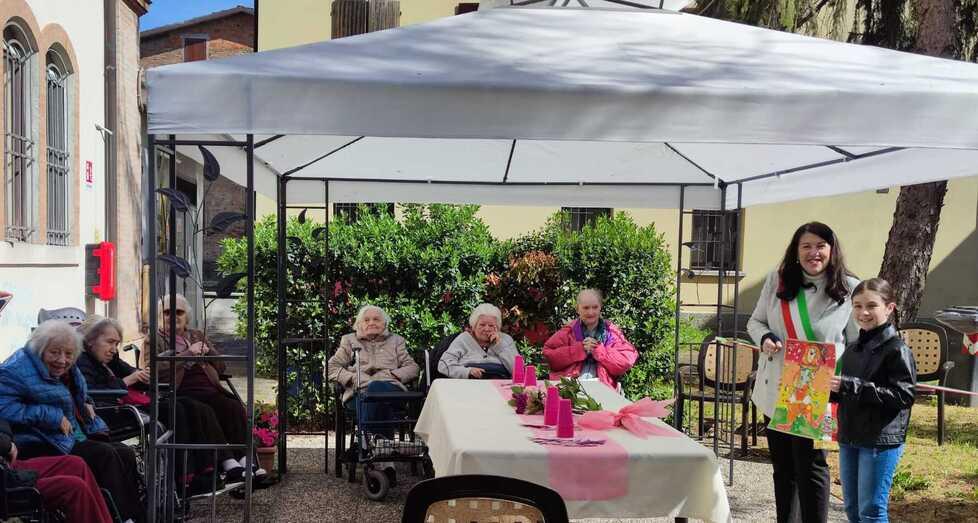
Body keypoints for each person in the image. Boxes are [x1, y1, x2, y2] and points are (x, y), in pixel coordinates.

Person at [748, 221, 860, 523]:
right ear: (796, 251)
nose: (814, 253)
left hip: (816, 386)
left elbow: (856, 343)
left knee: (811, 466)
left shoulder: (849, 288)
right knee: (783, 468)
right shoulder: (778, 280)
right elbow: (755, 322)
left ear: (831, 250)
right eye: (806, 246)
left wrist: (840, 376)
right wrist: (765, 338)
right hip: (776, 384)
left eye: (820, 246)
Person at [0, 320, 144, 522]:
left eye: (68, 354)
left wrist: (89, 409)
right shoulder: (14, 370)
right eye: (54, 352)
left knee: (124, 452)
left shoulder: (69, 368)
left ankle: (130, 515)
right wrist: (50, 415)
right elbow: (3, 408)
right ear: (40, 349)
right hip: (37, 441)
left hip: (67, 436)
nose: (62, 360)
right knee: (105, 455)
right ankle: (124, 517)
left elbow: (79, 395)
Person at [77, 315, 233, 492]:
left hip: (126, 405)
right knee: (176, 410)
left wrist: (146, 375)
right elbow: (89, 392)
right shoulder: (82, 361)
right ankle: (184, 477)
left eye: (116, 344)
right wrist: (128, 380)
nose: (113, 349)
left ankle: (206, 469)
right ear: (90, 341)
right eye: (110, 342)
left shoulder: (111, 360)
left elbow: (135, 374)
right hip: (110, 412)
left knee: (191, 405)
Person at [141, 294, 262, 482]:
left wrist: (209, 352)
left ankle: (246, 460)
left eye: (179, 312)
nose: (173, 316)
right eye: (167, 312)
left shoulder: (196, 334)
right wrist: (188, 354)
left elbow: (221, 367)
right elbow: (152, 371)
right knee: (206, 411)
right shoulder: (154, 340)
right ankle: (228, 463)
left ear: (186, 317)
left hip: (208, 389)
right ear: (159, 316)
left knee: (232, 406)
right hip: (181, 391)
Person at [830, 279, 915, 523]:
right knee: (852, 509)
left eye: (871, 306)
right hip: (850, 437)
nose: (863, 313)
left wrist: (851, 386)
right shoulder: (853, 348)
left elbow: (904, 396)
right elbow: (847, 391)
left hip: (879, 440)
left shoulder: (897, 350)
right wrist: (826, 391)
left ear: (889, 308)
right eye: (857, 306)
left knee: (872, 511)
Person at [543, 288, 638, 390]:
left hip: (602, 387)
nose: (591, 312)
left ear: (600, 307)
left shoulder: (611, 332)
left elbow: (627, 360)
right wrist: (578, 350)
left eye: (595, 307)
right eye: (586, 308)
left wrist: (600, 351)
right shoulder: (568, 331)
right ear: (578, 309)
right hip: (571, 386)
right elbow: (549, 355)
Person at [439, 303, 518, 379]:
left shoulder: (506, 340)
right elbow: (444, 365)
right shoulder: (463, 339)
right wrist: (467, 372)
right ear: (474, 326)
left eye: (491, 325)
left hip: (499, 386)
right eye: (482, 325)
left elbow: (518, 371)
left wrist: (499, 345)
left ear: (497, 327)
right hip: (468, 386)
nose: (486, 329)